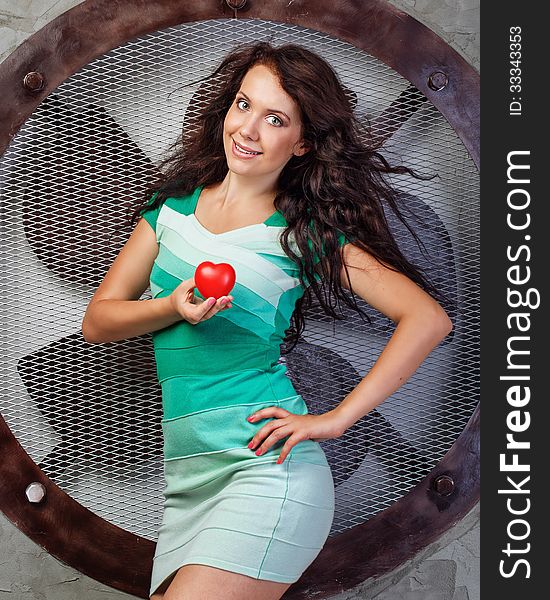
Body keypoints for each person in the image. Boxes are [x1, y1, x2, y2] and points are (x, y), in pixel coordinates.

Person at [82, 41, 453, 600]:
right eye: (242, 105)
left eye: (274, 118)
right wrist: (171, 307)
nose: (248, 130)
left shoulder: (303, 238)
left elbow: (427, 319)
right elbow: (99, 322)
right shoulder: (170, 212)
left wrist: (335, 419)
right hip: (187, 484)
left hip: (267, 476)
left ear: (303, 143)